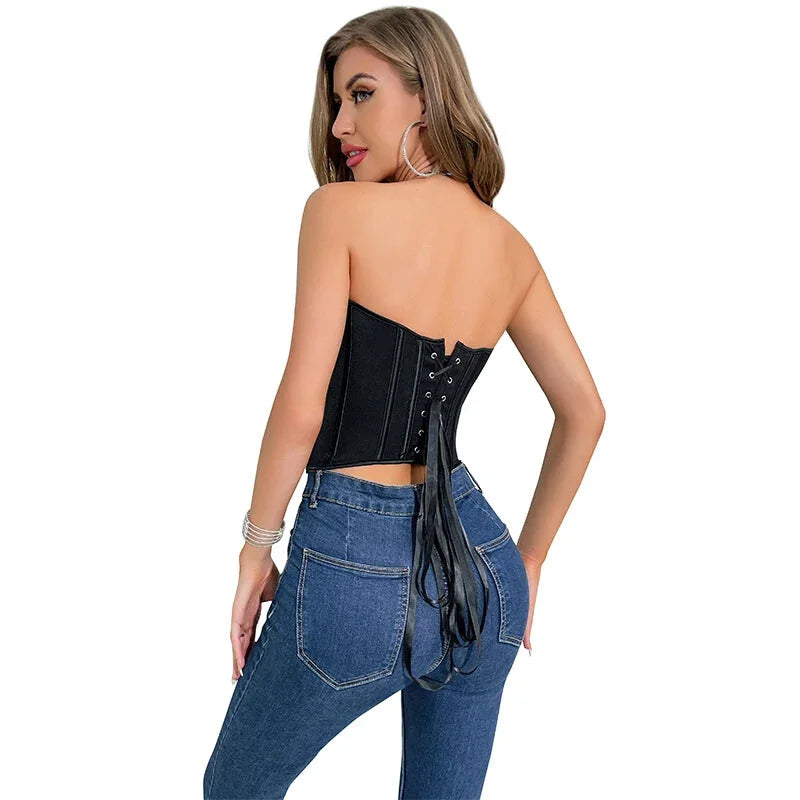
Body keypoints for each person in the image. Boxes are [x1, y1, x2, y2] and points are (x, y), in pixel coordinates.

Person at [203, 7, 605, 799]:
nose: (340, 126)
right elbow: (584, 411)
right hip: (482, 571)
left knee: (233, 790)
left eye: (362, 95)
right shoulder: (510, 247)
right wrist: (526, 564)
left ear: (427, 95)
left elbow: (302, 407)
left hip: (354, 561)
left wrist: (255, 548)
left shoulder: (337, 212)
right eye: (336, 103)